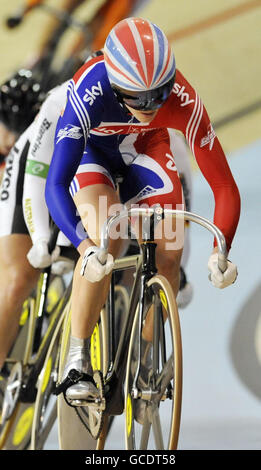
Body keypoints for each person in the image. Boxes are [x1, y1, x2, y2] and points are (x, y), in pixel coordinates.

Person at [45, 18, 240, 404]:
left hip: (146, 149)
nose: (151, 105)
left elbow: (224, 186)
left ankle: (146, 360)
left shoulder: (182, 97)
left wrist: (222, 250)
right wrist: (84, 247)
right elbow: (56, 184)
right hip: (93, 153)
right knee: (108, 237)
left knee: (170, 252)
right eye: (139, 98)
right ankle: (77, 358)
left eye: (159, 95)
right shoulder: (89, 90)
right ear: (117, 88)